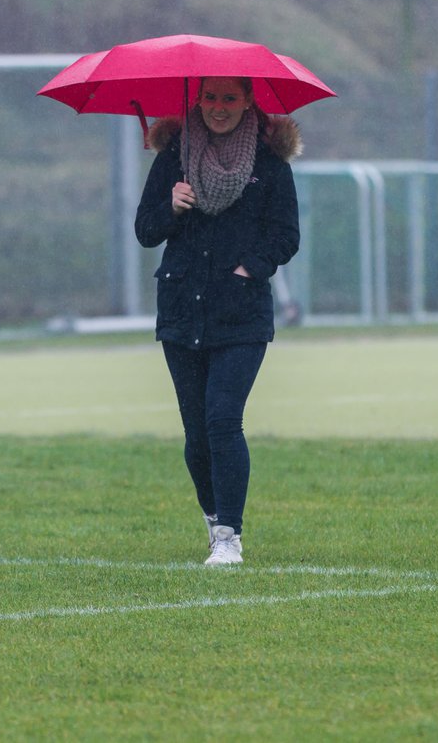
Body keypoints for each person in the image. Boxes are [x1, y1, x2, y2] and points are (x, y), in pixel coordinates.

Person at [134, 76, 302, 566]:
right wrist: (171, 204)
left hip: (241, 315)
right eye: (210, 97)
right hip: (182, 312)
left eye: (230, 97)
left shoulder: (270, 163)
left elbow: (286, 235)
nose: (219, 107)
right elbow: (145, 230)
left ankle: (229, 535)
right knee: (196, 434)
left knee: (223, 421)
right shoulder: (173, 160)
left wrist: (251, 266)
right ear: (197, 99)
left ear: (248, 100)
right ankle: (213, 519)